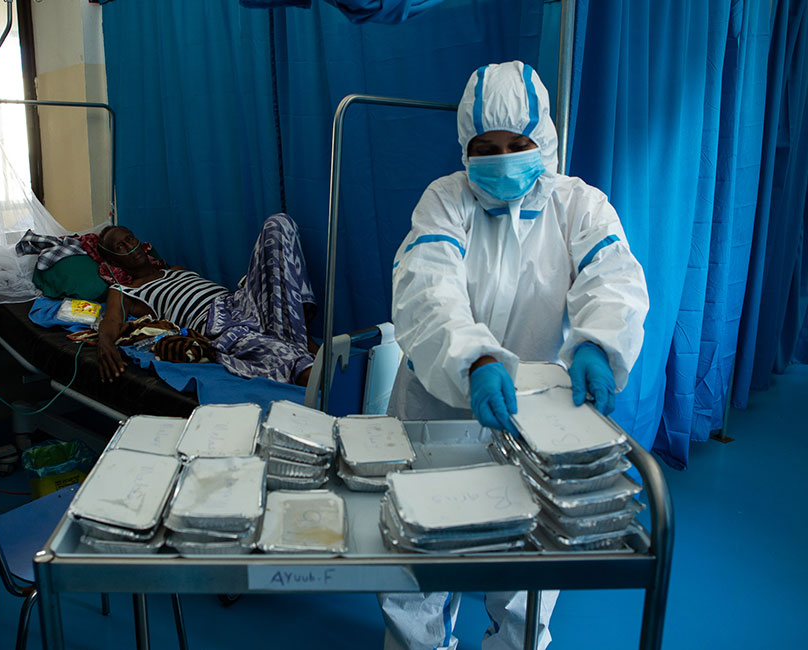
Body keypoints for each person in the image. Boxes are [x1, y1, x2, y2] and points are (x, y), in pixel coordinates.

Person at [380, 61, 649, 650]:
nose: (502, 159)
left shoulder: (578, 206)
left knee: (530, 557)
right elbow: (428, 287)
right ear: (465, 148)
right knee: (417, 553)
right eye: (487, 146)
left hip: (535, 416)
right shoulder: (445, 201)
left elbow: (613, 279)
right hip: (437, 407)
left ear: (544, 141)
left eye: (517, 145)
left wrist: (599, 345)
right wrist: (472, 360)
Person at [96, 212, 319, 386]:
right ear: (114, 261)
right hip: (216, 325)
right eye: (120, 247)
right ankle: (314, 370)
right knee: (292, 363)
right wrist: (104, 344)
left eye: (129, 238)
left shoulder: (176, 270)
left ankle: (298, 335)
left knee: (278, 224)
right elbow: (112, 321)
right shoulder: (125, 291)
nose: (130, 246)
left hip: (241, 301)